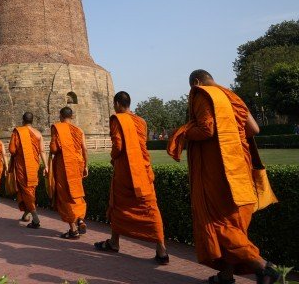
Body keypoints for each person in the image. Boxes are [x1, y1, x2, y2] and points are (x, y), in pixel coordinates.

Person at [168, 70, 280, 284]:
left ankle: (262, 266)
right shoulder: (232, 96)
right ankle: (226, 275)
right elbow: (254, 129)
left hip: (218, 172)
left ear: (196, 82)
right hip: (239, 170)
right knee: (233, 222)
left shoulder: (202, 93)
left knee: (218, 223)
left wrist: (182, 131)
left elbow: (206, 129)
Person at [94, 91, 169, 265]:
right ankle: (161, 249)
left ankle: (114, 243)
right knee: (150, 206)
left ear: (118, 104)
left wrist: (113, 157)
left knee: (118, 205)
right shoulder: (141, 121)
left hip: (125, 171)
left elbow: (118, 145)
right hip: (142, 170)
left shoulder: (117, 119)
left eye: (114, 105)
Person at [49, 106, 88, 239]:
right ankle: (81, 219)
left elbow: (54, 148)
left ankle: (73, 230)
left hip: (64, 165)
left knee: (65, 195)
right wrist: (86, 166)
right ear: (72, 116)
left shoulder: (57, 128)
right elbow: (84, 149)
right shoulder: (79, 130)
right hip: (77, 164)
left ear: (61, 115)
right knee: (77, 192)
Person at [8, 112, 47, 229]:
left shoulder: (18, 132)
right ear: (32, 121)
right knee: (30, 190)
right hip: (34, 166)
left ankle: (35, 218)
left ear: (22, 120)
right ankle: (26, 214)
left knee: (26, 190)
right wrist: (46, 166)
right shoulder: (38, 133)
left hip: (22, 166)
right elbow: (42, 151)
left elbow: (12, 150)